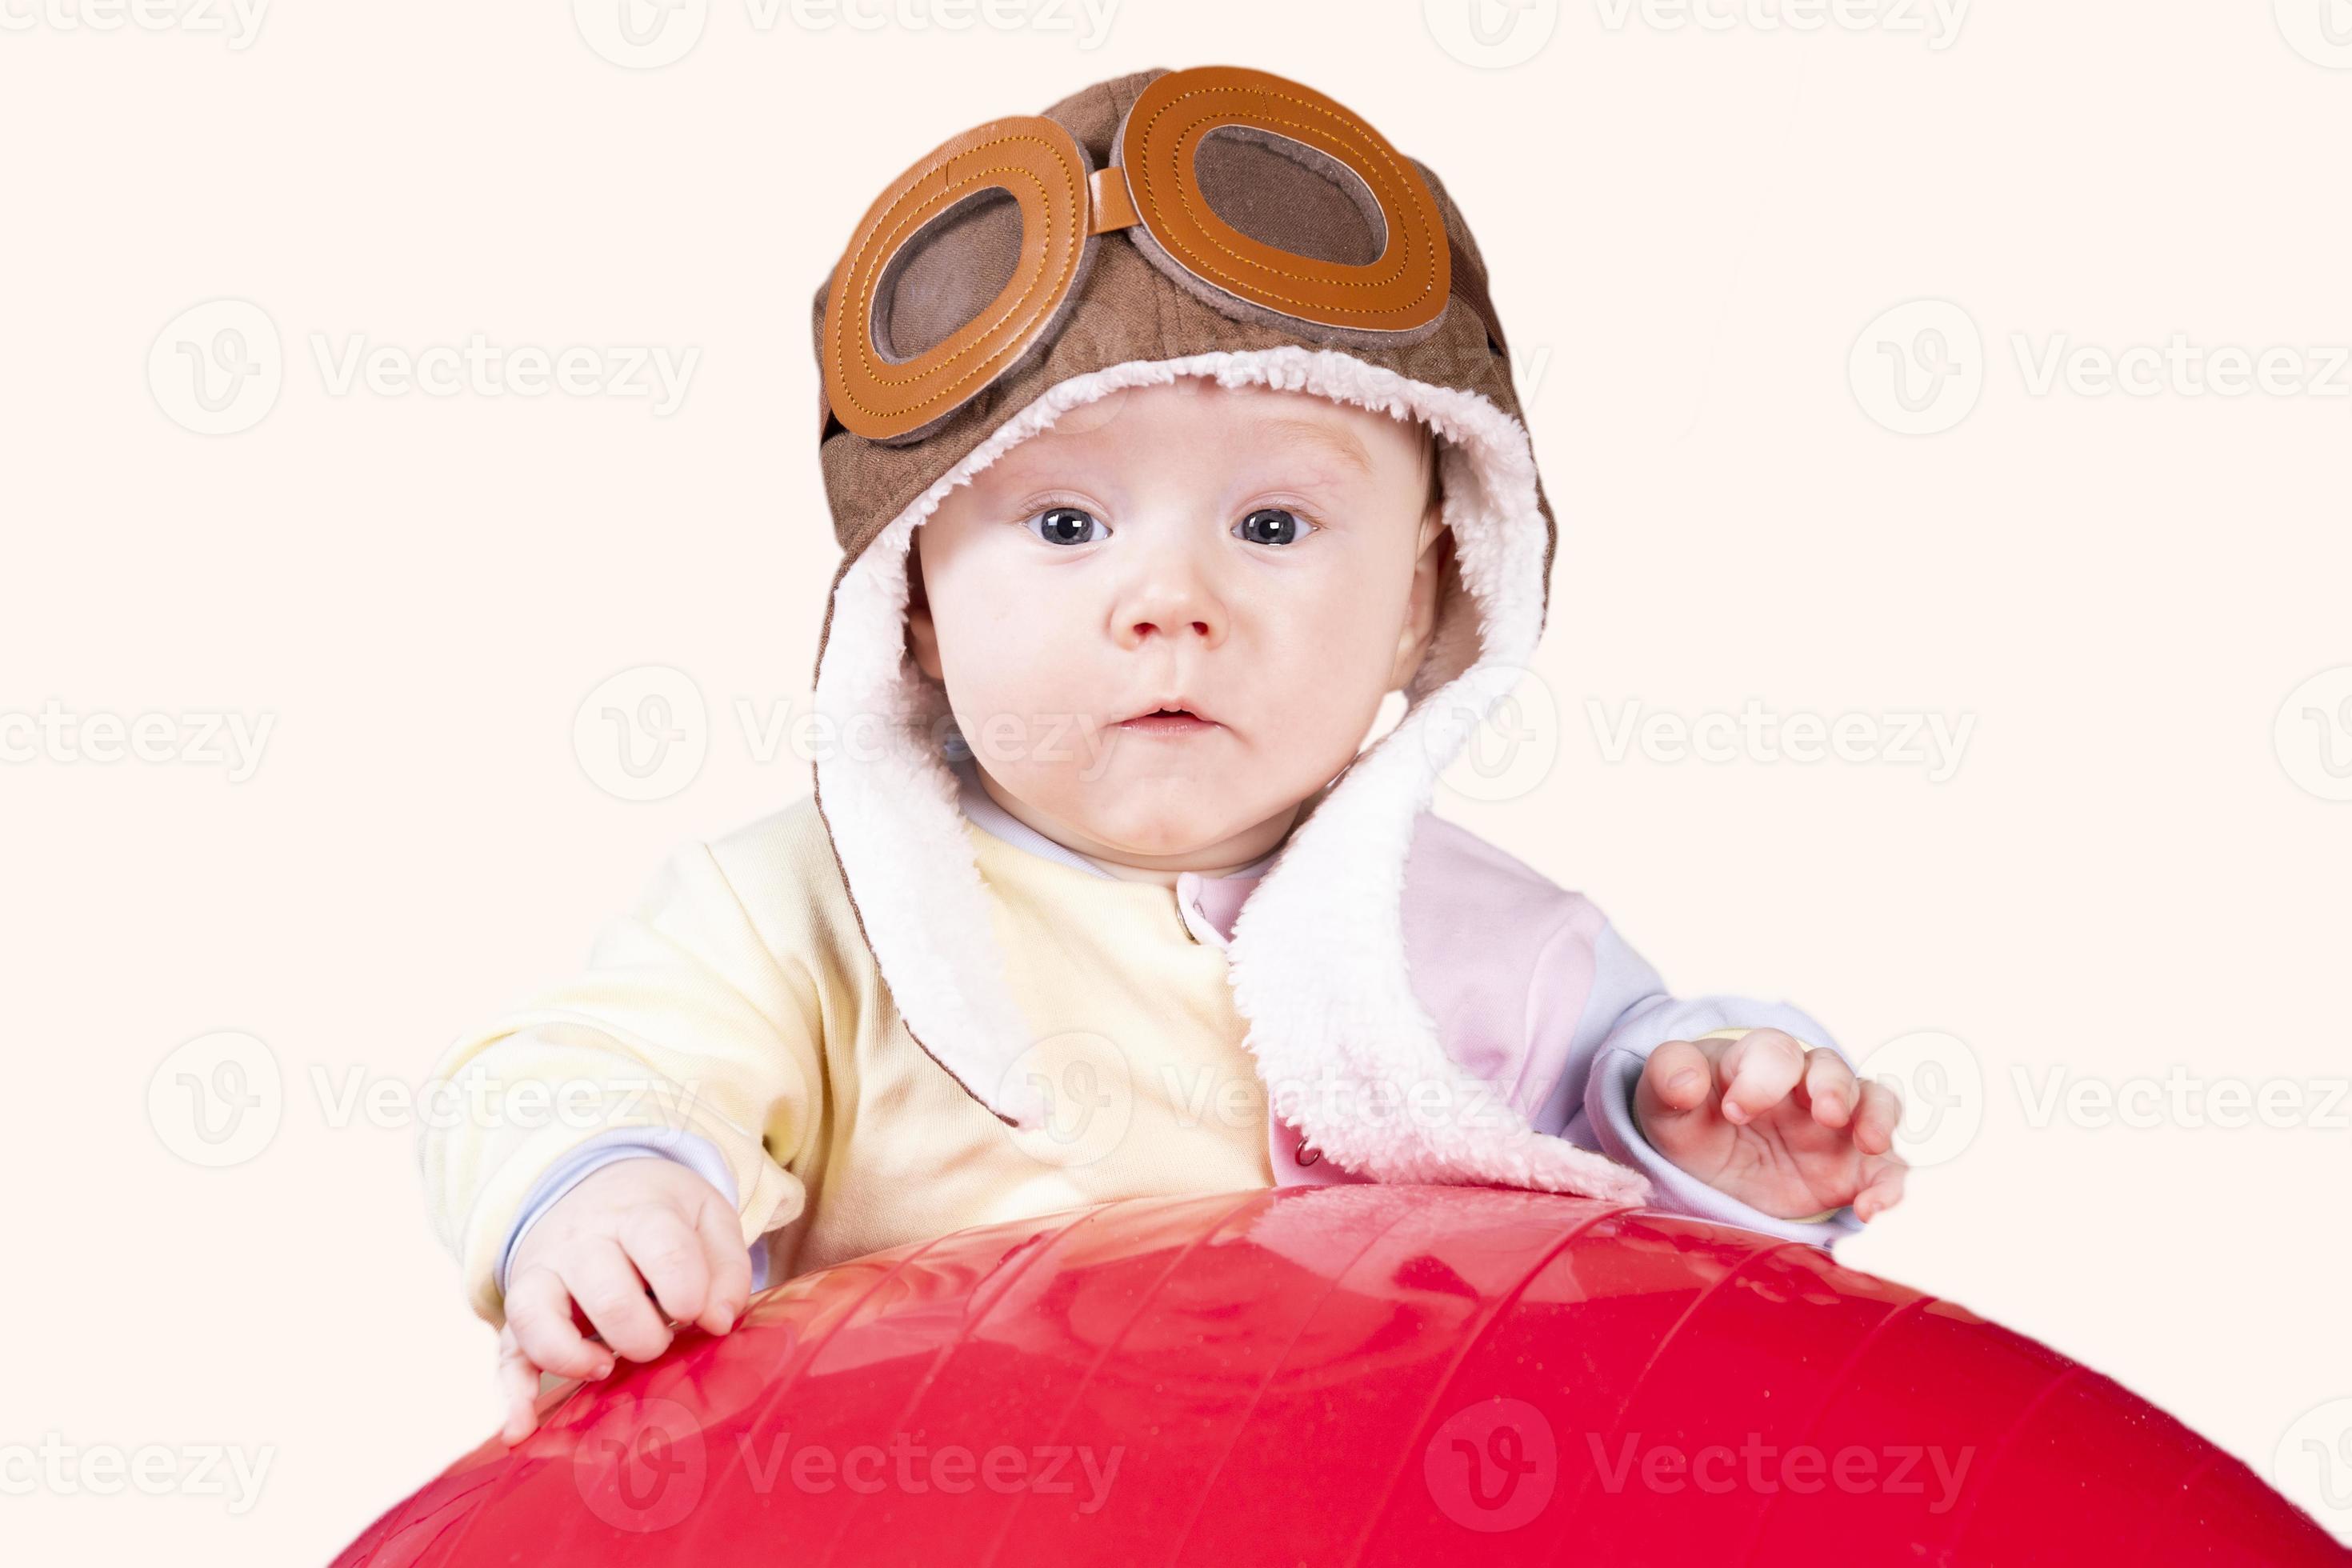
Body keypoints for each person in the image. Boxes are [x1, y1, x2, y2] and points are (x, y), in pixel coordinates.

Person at [417, 64, 1907, 1446]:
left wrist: (1706, 1153)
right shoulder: (797, 925)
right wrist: (603, 1187)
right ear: (917, 608)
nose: (1170, 602)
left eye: (1272, 527)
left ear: (1419, 603)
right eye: (1065, 526)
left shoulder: (1498, 962)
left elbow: (1636, 1318)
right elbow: (578, 1066)